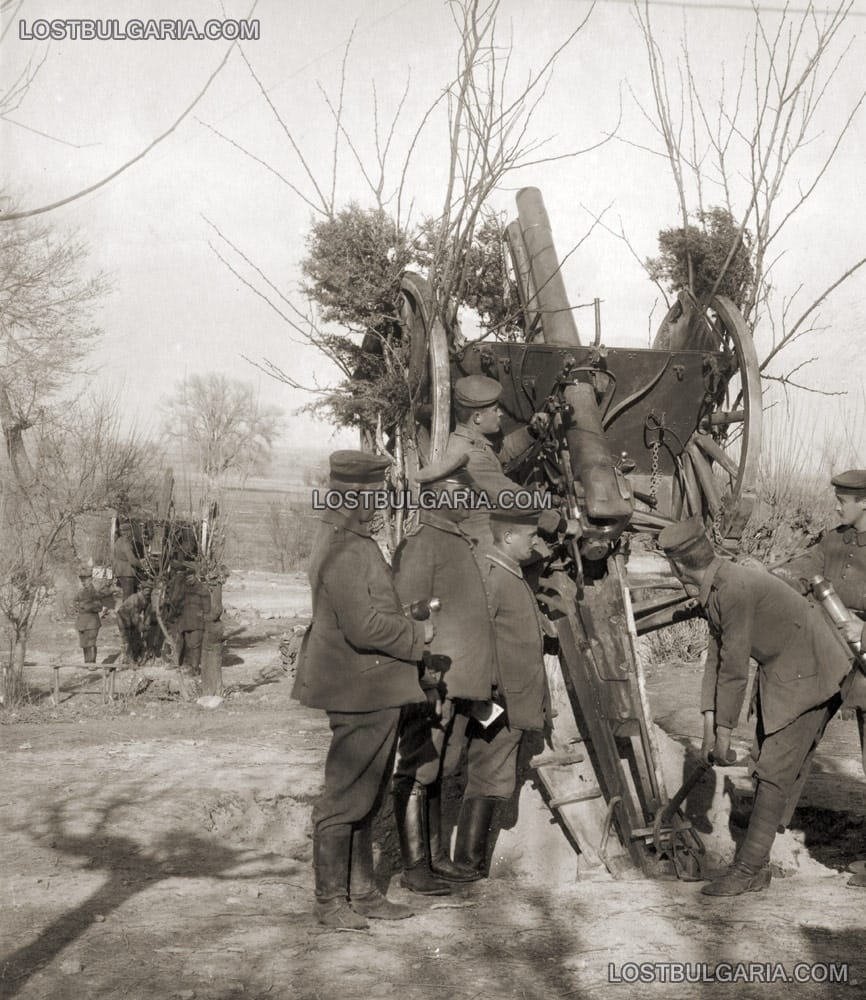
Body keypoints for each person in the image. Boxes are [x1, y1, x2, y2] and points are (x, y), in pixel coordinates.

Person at [658, 518, 852, 896]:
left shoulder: (733, 588)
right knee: (773, 758)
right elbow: (716, 657)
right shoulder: (717, 583)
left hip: (809, 667)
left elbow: (734, 669)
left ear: (678, 565)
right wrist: (709, 727)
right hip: (787, 664)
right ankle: (764, 840)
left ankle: (749, 869)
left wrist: (725, 735)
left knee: (776, 765)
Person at [291, 450, 433, 930]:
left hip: (368, 686)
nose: (379, 504)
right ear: (355, 494)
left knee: (364, 795)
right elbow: (363, 626)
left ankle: (362, 894)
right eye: (374, 495)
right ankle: (331, 902)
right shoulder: (347, 548)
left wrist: (403, 611)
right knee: (344, 798)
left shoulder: (346, 541)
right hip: (360, 689)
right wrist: (418, 636)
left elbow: (367, 611)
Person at [391, 453, 498, 893]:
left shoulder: (455, 540)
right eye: (460, 492)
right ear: (437, 497)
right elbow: (409, 614)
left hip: (458, 683)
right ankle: (415, 866)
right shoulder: (423, 544)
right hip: (435, 682)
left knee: (439, 768)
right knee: (417, 769)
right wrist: (425, 679)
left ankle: (434, 858)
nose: (467, 499)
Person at [451, 506, 551, 877]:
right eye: (531, 536)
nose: (536, 542)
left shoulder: (510, 572)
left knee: (497, 779)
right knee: (487, 777)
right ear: (508, 537)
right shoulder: (493, 577)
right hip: (499, 700)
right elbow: (476, 638)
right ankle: (467, 866)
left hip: (514, 698)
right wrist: (487, 695)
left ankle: (471, 864)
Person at [444, 374, 548, 545]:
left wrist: (532, 432)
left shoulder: (467, 438)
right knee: (540, 551)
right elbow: (513, 499)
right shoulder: (471, 456)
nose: (500, 414)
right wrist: (561, 523)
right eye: (495, 409)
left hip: (485, 522)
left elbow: (500, 452)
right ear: (477, 417)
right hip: (478, 540)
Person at [176, 572, 211, 671]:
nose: (189, 580)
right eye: (187, 578)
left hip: (197, 622)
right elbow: (179, 602)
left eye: (191, 577)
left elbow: (207, 607)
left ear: (196, 576)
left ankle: (195, 668)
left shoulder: (202, 589)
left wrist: (204, 615)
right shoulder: (185, 589)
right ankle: (191, 666)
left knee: (196, 645)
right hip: (186, 621)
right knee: (189, 645)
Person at [73, 565, 102, 665]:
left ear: (91, 579)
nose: (83, 581)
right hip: (82, 623)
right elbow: (74, 603)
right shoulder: (80, 592)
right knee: (84, 644)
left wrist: (86, 606)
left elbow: (99, 607)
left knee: (91, 643)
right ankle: (87, 663)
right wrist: (76, 607)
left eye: (85, 579)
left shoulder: (94, 592)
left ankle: (92, 663)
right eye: (82, 579)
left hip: (92, 623)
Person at [116, 585, 152, 665]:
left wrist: (146, 625)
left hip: (132, 619)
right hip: (123, 618)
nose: (148, 592)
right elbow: (134, 614)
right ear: (141, 590)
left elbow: (147, 614)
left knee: (136, 638)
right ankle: (128, 660)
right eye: (146, 590)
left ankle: (135, 657)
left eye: (149, 591)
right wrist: (141, 627)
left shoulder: (146, 600)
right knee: (127, 639)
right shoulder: (135, 598)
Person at [112, 523, 142, 600]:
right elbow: (132, 560)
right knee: (128, 599)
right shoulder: (125, 543)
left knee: (123, 598)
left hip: (120, 572)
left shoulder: (118, 541)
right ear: (129, 532)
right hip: (126, 573)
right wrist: (142, 565)